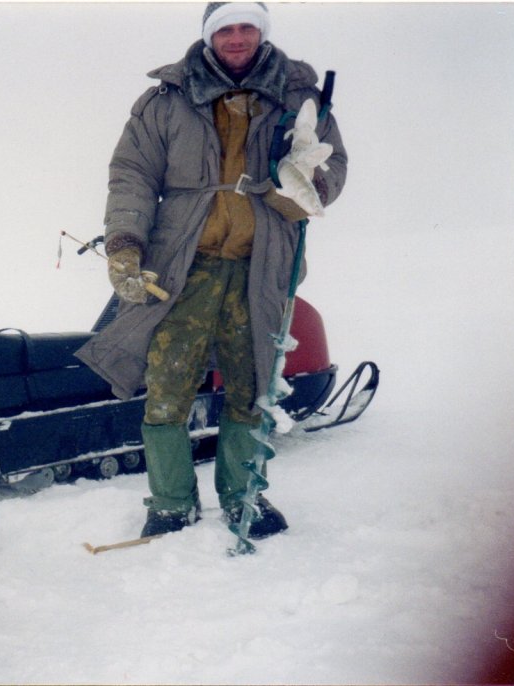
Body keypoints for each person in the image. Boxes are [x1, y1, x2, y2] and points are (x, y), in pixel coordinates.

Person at [76, 2, 347, 539]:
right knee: (168, 382)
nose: (238, 37)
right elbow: (131, 174)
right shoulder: (166, 102)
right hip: (183, 267)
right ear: (209, 35)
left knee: (252, 384)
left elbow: (333, 166)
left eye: (249, 26)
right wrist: (126, 245)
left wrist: (308, 186)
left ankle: (245, 495)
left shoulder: (299, 98)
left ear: (261, 32)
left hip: (261, 267)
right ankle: (172, 503)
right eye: (227, 28)